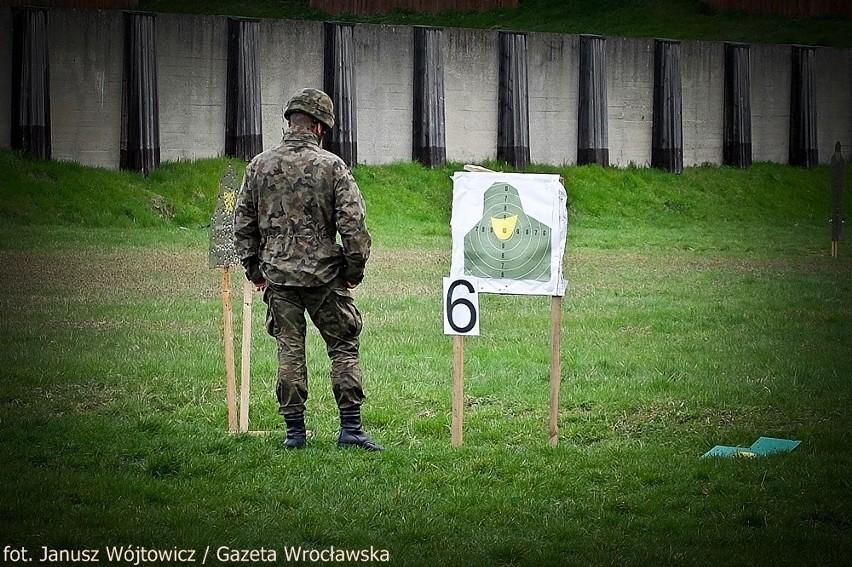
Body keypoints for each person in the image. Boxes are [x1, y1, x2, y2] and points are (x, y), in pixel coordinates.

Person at [233, 88, 382, 451]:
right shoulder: (332, 166)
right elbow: (354, 227)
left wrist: (254, 270)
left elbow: (243, 223)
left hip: (278, 277)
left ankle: (295, 434)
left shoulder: (259, 165)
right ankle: (350, 429)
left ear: (290, 121)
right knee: (343, 347)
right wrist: (353, 271)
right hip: (325, 277)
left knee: (289, 350)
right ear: (318, 126)